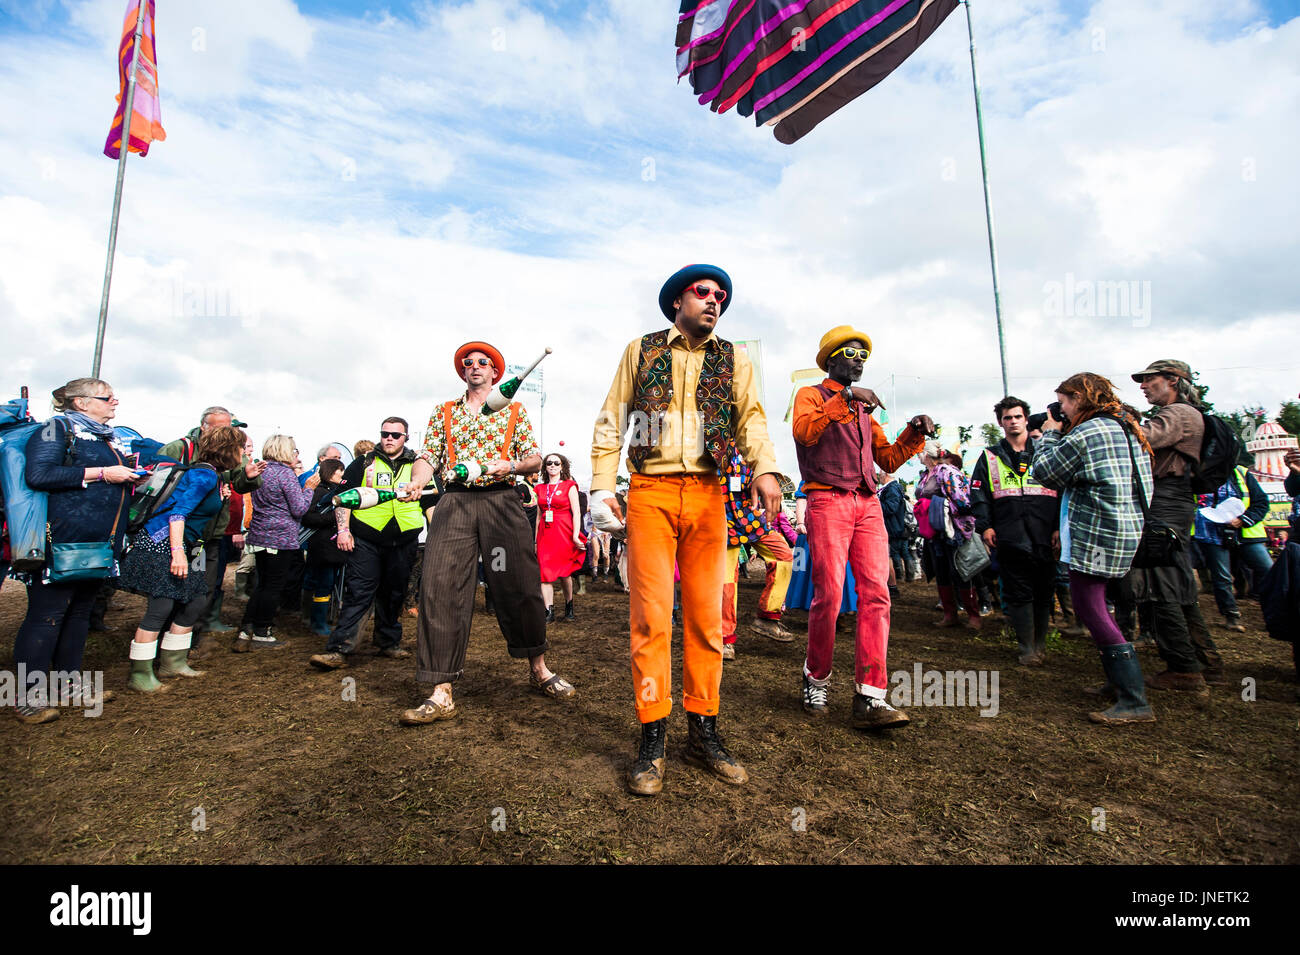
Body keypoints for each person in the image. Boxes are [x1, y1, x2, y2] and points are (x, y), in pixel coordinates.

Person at [592, 263, 780, 795]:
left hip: (708, 494)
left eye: (721, 296)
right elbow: (612, 419)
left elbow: (752, 418)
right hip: (649, 493)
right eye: (704, 293)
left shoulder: (732, 356)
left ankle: (704, 731)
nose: (714, 301)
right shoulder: (642, 348)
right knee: (651, 618)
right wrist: (602, 486)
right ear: (679, 300)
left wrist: (764, 467)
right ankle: (652, 737)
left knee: (706, 617)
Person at [395, 341, 575, 724]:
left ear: (495, 372)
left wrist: (506, 464)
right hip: (455, 503)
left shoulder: (515, 410)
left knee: (520, 585)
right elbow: (429, 456)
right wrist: (415, 482)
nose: (474, 366)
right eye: (468, 363)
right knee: (439, 587)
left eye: (483, 363)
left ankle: (538, 668)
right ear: (462, 372)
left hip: (501, 501)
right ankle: (440, 690)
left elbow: (534, 459)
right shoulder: (444, 412)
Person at [792, 325, 930, 728]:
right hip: (826, 499)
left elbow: (886, 460)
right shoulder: (811, 396)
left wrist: (914, 433)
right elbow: (804, 432)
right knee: (830, 596)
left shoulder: (866, 411)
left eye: (863, 356)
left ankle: (870, 696)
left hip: (867, 502)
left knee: (876, 593)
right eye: (850, 354)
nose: (859, 361)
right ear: (831, 359)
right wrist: (846, 398)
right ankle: (815, 677)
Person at [1031, 372, 1156, 724]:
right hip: (1125, 527)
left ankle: (1134, 699)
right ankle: (1118, 683)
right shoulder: (1127, 425)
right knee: (1102, 605)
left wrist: (1051, 433)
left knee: (1090, 606)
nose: (1063, 410)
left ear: (1080, 398)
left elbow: (1046, 472)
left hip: (1097, 530)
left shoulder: (1089, 431)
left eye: (1064, 402)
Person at [13, 378, 138, 723]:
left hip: (98, 540)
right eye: (107, 397)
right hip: (61, 539)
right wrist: (103, 473)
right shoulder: (55, 430)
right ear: (81, 403)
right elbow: (38, 474)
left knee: (80, 613)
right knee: (47, 616)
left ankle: (69, 685)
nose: (115, 401)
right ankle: (28, 696)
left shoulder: (104, 437)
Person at [120, 426, 246, 691]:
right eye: (241, 448)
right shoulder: (203, 476)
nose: (244, 453)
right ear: (228, 451)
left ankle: (173, 662)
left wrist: (218, 499)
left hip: (189, 546)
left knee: (196, 598)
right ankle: (140, 675)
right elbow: (178, 515)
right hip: (163, 543)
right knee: (161, 607)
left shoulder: (211, 476)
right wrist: (177, 554)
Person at [1129, 360, 1223, 689]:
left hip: (1164, 500)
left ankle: (1183, 667)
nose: (1143, 386)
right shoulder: (1184, 414)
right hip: (1173, 500)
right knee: (1177, 582)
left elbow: (1140, 440)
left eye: (1149, 380)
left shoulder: (1178, 414)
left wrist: (1120, 420)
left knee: (1159, 582)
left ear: (1172, 380)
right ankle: (1206, 660)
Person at [309, 418, 425, 668]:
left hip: (405, 539)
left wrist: (437, 535)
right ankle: (339, 650)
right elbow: (343, 499)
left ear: (406, 437)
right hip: (367, 539)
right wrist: (343, 531)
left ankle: (388, 642)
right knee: (359, 591)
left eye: (396, 434)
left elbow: (431, 502)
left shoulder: (419, 465)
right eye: (385, 433)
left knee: (394, 593)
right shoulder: (363, 463)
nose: (389, 438)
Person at [160, 406, 265, 651]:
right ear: (204, 426)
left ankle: (189, 640)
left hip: (212, 533)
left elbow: (242, 483)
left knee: (204, 587)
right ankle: (162, 641)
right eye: (220, 427)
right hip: (178, 534)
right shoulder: (179, 449)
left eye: (229, 427)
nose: (226, 433)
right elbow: (160, 486)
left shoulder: (231, 451)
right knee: (171, 590)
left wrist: (248, 476)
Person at [970, 396, 1061, 665]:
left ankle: (1041, 643)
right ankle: (1027, 648)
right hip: (1009, 533)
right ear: (1001, 422)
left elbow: (1062, 487)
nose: (1013, 422)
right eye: (1007, 418)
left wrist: (1058, 527)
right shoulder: (989, 456)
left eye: (1017, 417)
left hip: (1044, 531)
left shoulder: (1045, 450)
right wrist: (984, 526)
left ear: (1025, 419)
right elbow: (979, 494)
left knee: (1044, 589)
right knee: (1018, 590)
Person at [234, 435, 313, 651]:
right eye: (294, 450)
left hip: (259, 534)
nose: (296, 454)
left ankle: (246, 629)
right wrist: (309, 489)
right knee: (273, 587)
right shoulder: (285, 474)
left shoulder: (262, 470)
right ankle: (262, 633)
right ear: (285, 451)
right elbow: (299, 508)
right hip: (279, 536)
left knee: (262, 584)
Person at [720, 445, 795, 660]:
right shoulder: (714, 441)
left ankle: (767, 617)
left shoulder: (754, 448)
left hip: (750, 518)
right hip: (720, 518)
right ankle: (724, 639)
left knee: (784, 556)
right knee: (726, 582)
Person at [1192, 464, 1274, 631]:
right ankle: (1231, 616)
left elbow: (1261, 502)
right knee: (1222, 577)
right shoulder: (1196, 472)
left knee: (1268, 570)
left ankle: (1274, 614)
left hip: (1247, 532)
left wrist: (1243, 519)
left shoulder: (1242, 473)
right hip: (1212, 533)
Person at [918, 445, 981, 630]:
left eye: (920, 451)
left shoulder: (946, 471)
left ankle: (973, 615)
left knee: (960, 571)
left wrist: (939, 506)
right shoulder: (925, 475)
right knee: (942, 572)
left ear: (928, 454)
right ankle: (950, 614)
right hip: (933, 533)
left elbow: (963, 500)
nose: (918, 455)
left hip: (952, 530)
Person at [535, 452, 586, 622]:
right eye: (549, 463)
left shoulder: (569, 485)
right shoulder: (540, 489)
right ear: (545, 466)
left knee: (565, 573)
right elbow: (538, 516)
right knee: (544, 573)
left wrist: (575, 536)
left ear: (562, 466)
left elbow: (577, 512)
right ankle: (548, 610)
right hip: (545, 533)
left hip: (564, 531)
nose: (552, 466)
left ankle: (569, 603)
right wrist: (535, 540)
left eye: (557, 463)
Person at [300, 458, 348, 636]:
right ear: (330, 472)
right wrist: (335, 518)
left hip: (330, 547)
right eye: (339, 471)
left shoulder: (334, 491)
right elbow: (308, 517)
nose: (342, 474)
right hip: (323, 547)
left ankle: (317, 619)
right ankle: (318, 623)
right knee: (324, 584)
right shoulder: (320, 492)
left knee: (325, 583)